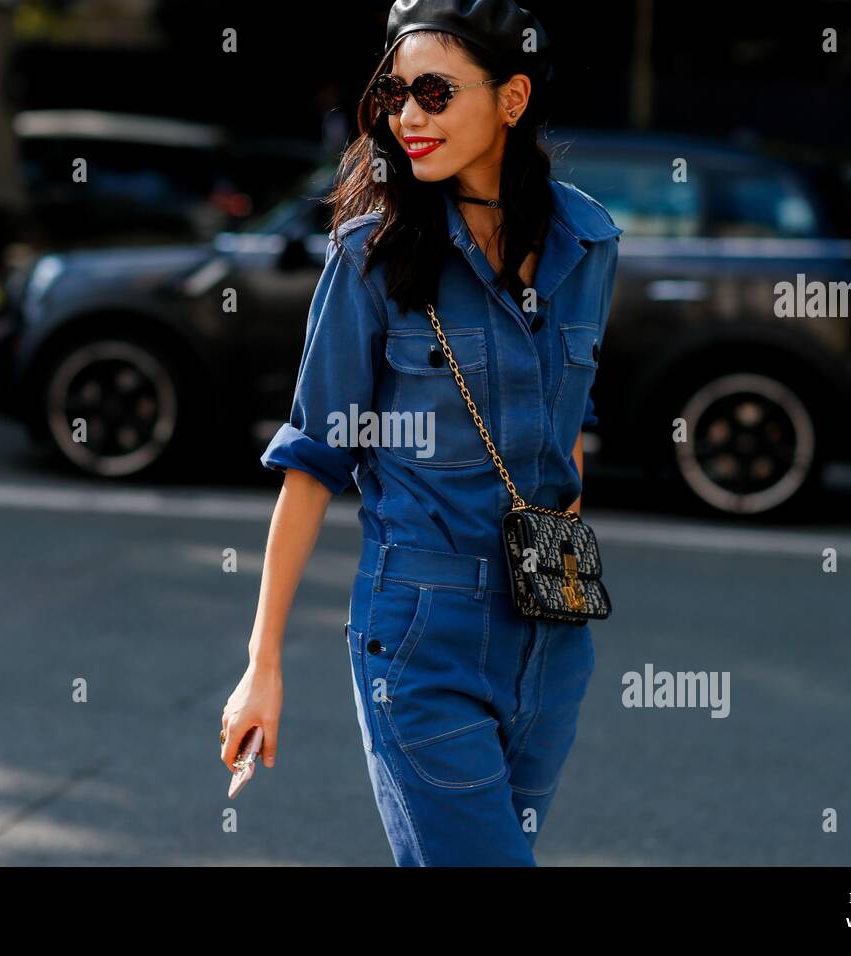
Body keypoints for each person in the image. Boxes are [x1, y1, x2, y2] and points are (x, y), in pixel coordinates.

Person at [219, 0, 621, 866]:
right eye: (395, 95)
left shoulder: (589, 243)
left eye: (434, 93)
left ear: (511, 99)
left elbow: (570, 433)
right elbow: (310, 463)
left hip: (553, 635)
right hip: (420, 633)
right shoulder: (371, 257)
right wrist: (264, 664)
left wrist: (561, 569)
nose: (407, 117)